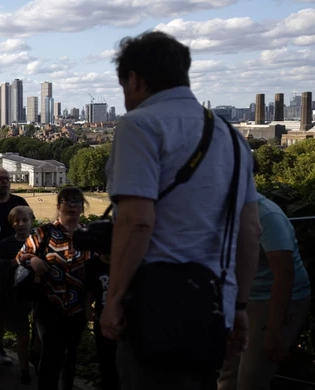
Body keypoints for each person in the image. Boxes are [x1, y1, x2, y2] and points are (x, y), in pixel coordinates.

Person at [100, 31, 262, 389]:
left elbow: (137, 221)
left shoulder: (139, 125)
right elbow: (251, 231)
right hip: (215, 307)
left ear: (135, 79)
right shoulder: (231, 136)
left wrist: (113, 299)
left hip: (154, 307)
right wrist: (240, 307)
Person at [217, 161, 311, 390]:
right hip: (244, 298)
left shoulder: (266, 215)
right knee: (227, 373)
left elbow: (284, 274)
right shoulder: (223, 211)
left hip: (275, 298)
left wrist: (274, 331)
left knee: (251, 378)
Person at [16, 187, 91, 390]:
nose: (73, 206)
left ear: (83, 208)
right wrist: (33, 261)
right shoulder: (44, 232)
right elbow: (21, 255)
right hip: (48, 305)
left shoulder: (88, 236)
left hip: (77, 308)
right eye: (68, 201)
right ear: (58, 207)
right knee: (51, 355)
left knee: (70, 357)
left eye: (77, 202)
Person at [0, 168, 28, 366]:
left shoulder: (19, 203)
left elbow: (29, 230)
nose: (4, 182)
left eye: (6, 179)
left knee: (6, 306)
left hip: (15, 263)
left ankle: (0, 345)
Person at [0, 205, 35, 384]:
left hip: (38, 296)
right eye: (16, 221)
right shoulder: (6, 245)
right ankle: (24, 372)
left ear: (32, 220)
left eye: (24, 220)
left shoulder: (41, 241)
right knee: (22, 334)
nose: (21, 224)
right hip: (15, 296)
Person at [86, 253, 119, 390]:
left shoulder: (125, 261)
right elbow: (90, 290)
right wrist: (88, 307)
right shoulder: (93, 264)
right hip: (102, 320)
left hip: (124, 322)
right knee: (106, 363)